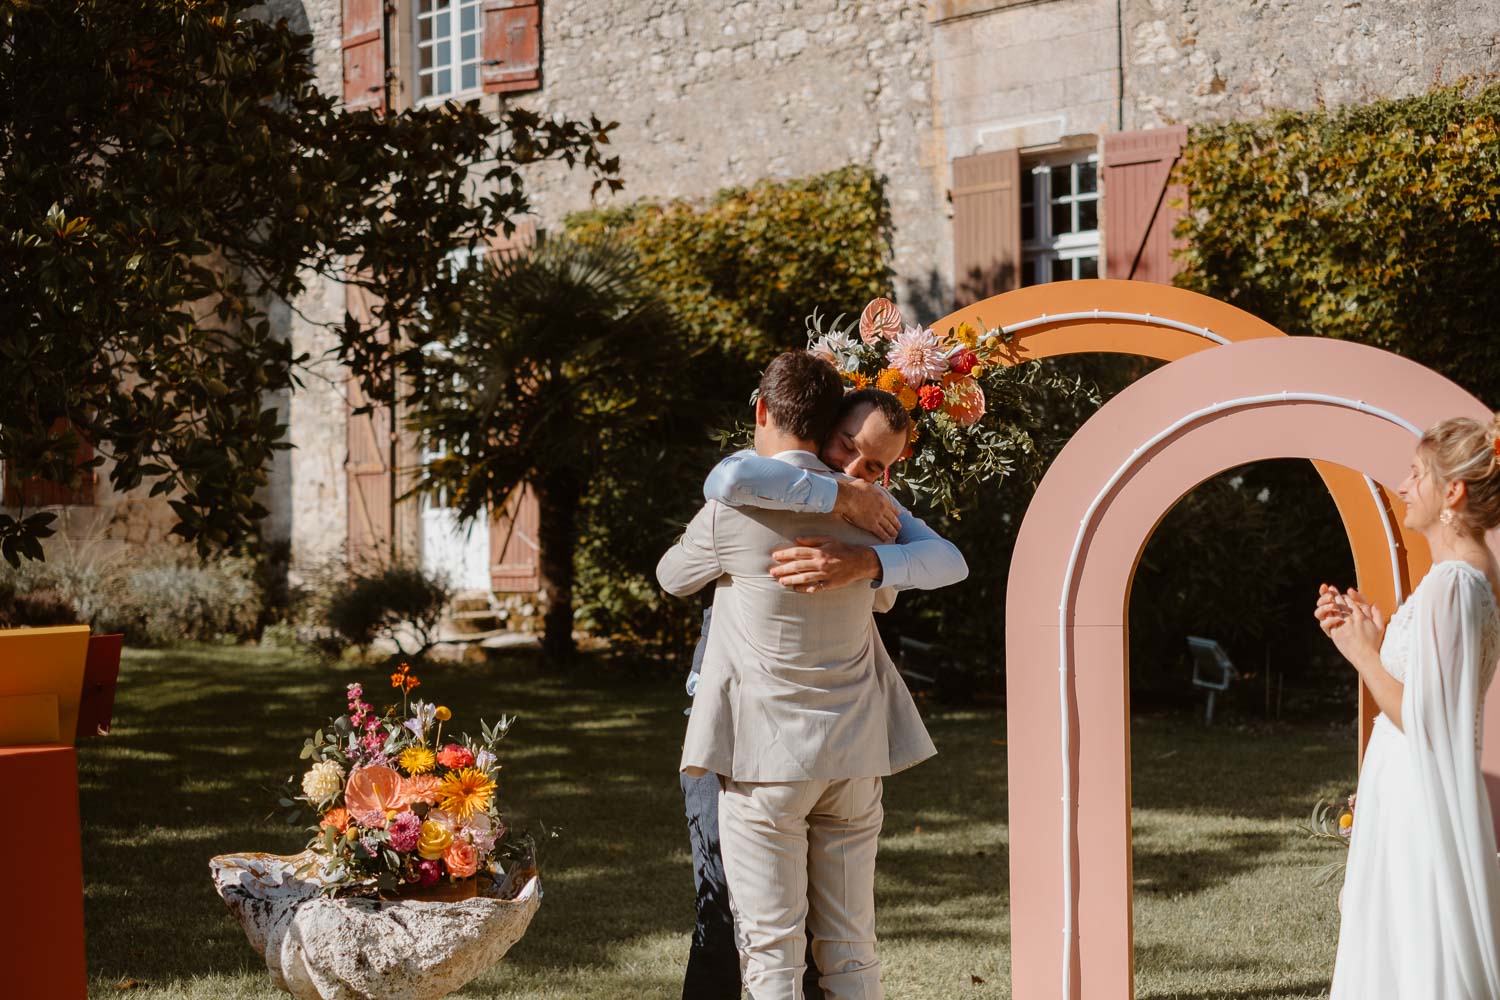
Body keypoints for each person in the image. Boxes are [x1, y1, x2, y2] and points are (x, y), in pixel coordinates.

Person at [659, 351, 949, 999]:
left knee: (770, 954)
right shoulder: (870, 520)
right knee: (851, 948)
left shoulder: (731, 512)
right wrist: (868, 562)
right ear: (825, 432)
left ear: (762, 411)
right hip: (854, 755)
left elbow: (672, 577)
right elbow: (924, 572)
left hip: (765, 760)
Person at [1316, 415, 1500, 998]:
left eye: (1417, 473)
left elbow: (1426, 721)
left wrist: (1363, 655)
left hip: (1420, 801)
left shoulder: (1453, 584)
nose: (1403, 486)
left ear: (1453, 492)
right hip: (1413, 790)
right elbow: (1434, 699)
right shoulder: (1469, 580)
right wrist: (1376, 639)